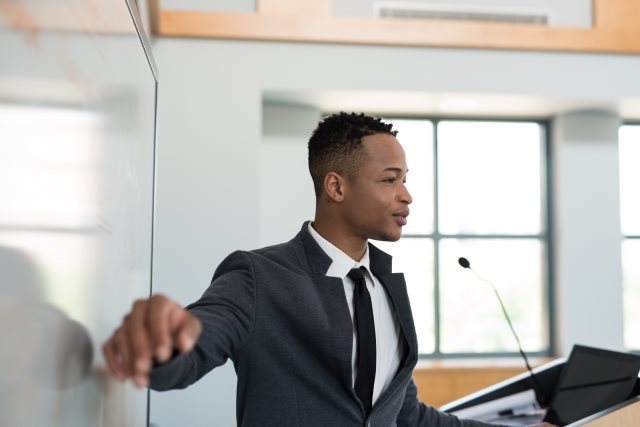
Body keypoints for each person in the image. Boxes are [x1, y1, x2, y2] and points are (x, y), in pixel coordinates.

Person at [103, 112, 552, 426]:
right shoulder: (258, 276)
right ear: (335, 186)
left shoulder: (387, 283)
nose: (407, 196)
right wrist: (160, 343)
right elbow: (193, 348)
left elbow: (405, 416)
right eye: (390, 179)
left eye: (406, 179)